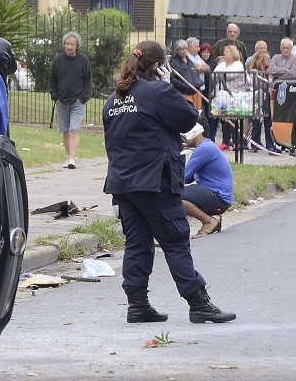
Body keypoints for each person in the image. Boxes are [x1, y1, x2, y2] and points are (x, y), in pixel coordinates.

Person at [102, 41, 236, 325]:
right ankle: (198, 303)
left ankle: (137, 304)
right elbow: (188, 119)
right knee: (175, 240)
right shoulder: (158, 91)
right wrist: (168, 86)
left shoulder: (115, 98)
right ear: (158, 66)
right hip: (155, 181)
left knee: (137, 243)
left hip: (123, 183)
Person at [48, 31, 92, 169]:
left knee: (74, 129)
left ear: (77, 46)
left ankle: (73, 158)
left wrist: (83, 98)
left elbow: (88, 81)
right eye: (67, 44)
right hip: (61, 101)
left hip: (77, 101)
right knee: (65, 130)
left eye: (72, 44)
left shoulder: (83, 60)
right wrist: (55, 97)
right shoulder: (58, 60)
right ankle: (68, 157)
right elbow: (52, 80)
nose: (69, 47)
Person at [181, 122, 233, 238]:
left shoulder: (204, 149)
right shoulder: (206, 146)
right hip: (217, 194)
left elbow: (183, 176)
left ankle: (209, 221)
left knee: (175, 196)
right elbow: (188, 178)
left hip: (218, 196)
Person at [213, 44, 245, 149]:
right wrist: (221, 74)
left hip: (235, 95)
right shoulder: (222, 65)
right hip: (223, 96)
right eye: (225, 51)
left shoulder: (238, 64)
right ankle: (225, 141)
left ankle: (237, 142)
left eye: (228, 51)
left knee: (234, 119)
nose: (225, 52)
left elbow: (231, 75)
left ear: (233, 53)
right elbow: (214, 76)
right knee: (224, 119)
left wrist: (221, 75)